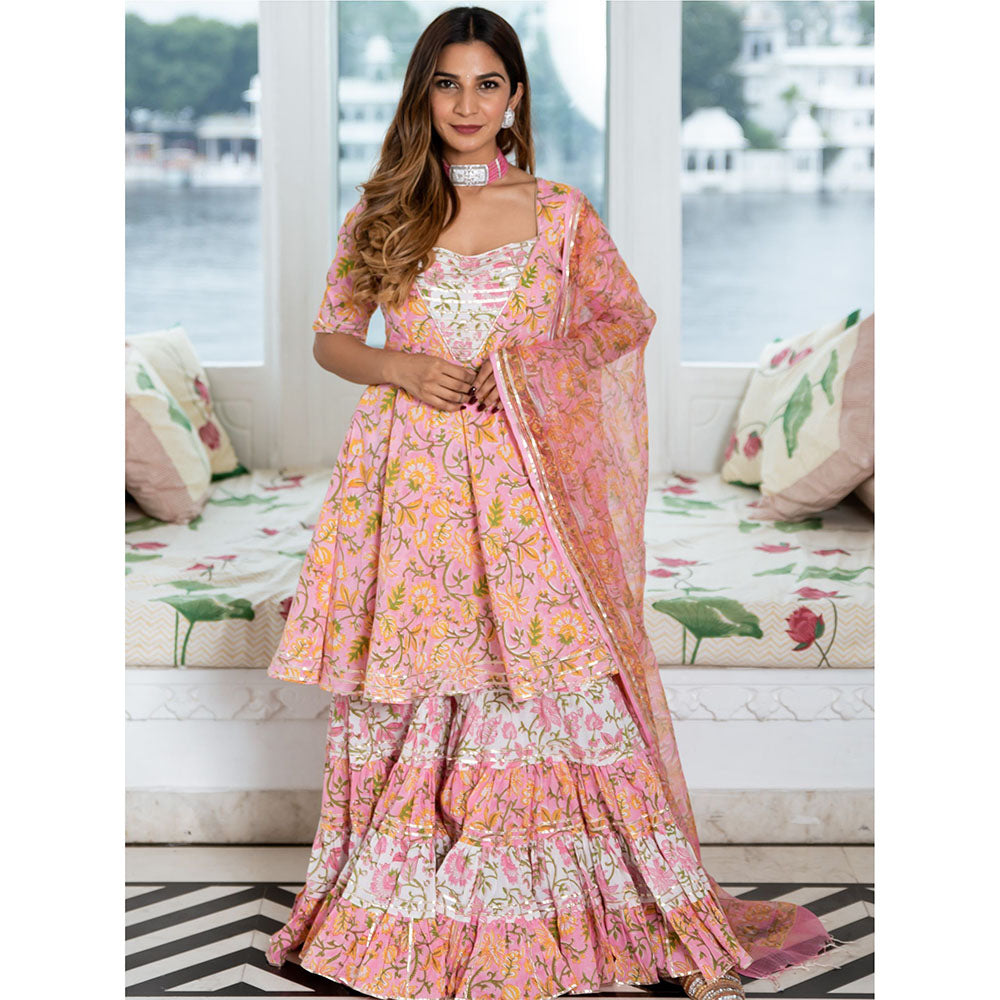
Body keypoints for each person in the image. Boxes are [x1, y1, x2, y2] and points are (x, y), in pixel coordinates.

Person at [263, 7, 839, 1000]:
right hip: (413, 483)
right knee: (424, 673)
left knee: (556, 677)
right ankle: (407, 920)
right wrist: (402, 366)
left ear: (516, 96)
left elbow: (623, 320)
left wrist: (530, 364)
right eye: (448, 83)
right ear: (422, 93)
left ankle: (641, 921)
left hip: (528, 482)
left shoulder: (562, 212)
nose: (467, 103)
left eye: (487, 83)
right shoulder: (384, 210)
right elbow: (330, 337)